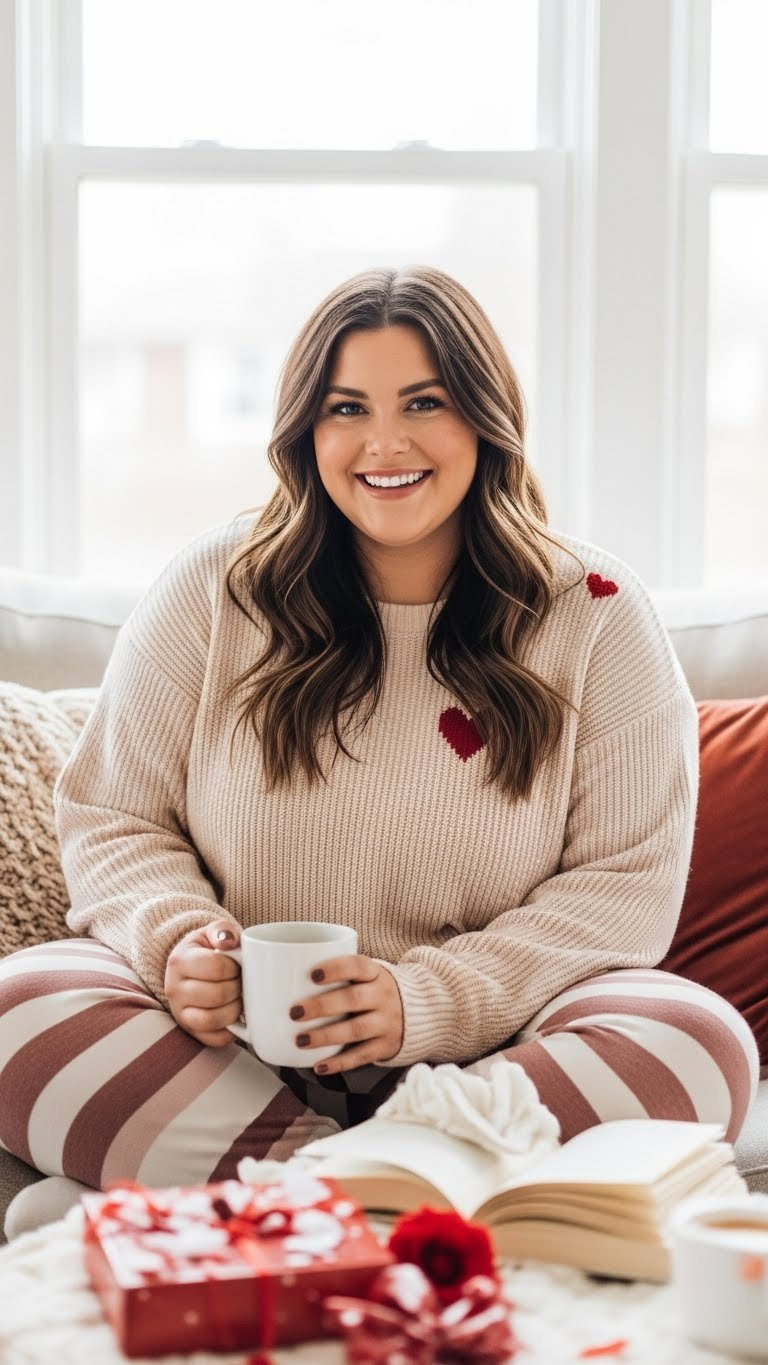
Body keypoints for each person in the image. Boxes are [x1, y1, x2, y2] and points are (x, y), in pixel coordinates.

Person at [0, 266, 758, 1238]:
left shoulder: (598, 612)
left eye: (424, 403)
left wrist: (423, 1000)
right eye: (347, 407)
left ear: (485, 417)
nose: (385, 443)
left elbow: (622, 887)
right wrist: (178, 940)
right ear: (304, 431)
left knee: (697, 1040)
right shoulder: (213, 587)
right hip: (226, 1059)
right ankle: (387, 1197)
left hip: (490, 1059)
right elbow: (115, 813)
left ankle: (251, 1204)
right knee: (20, 1004)